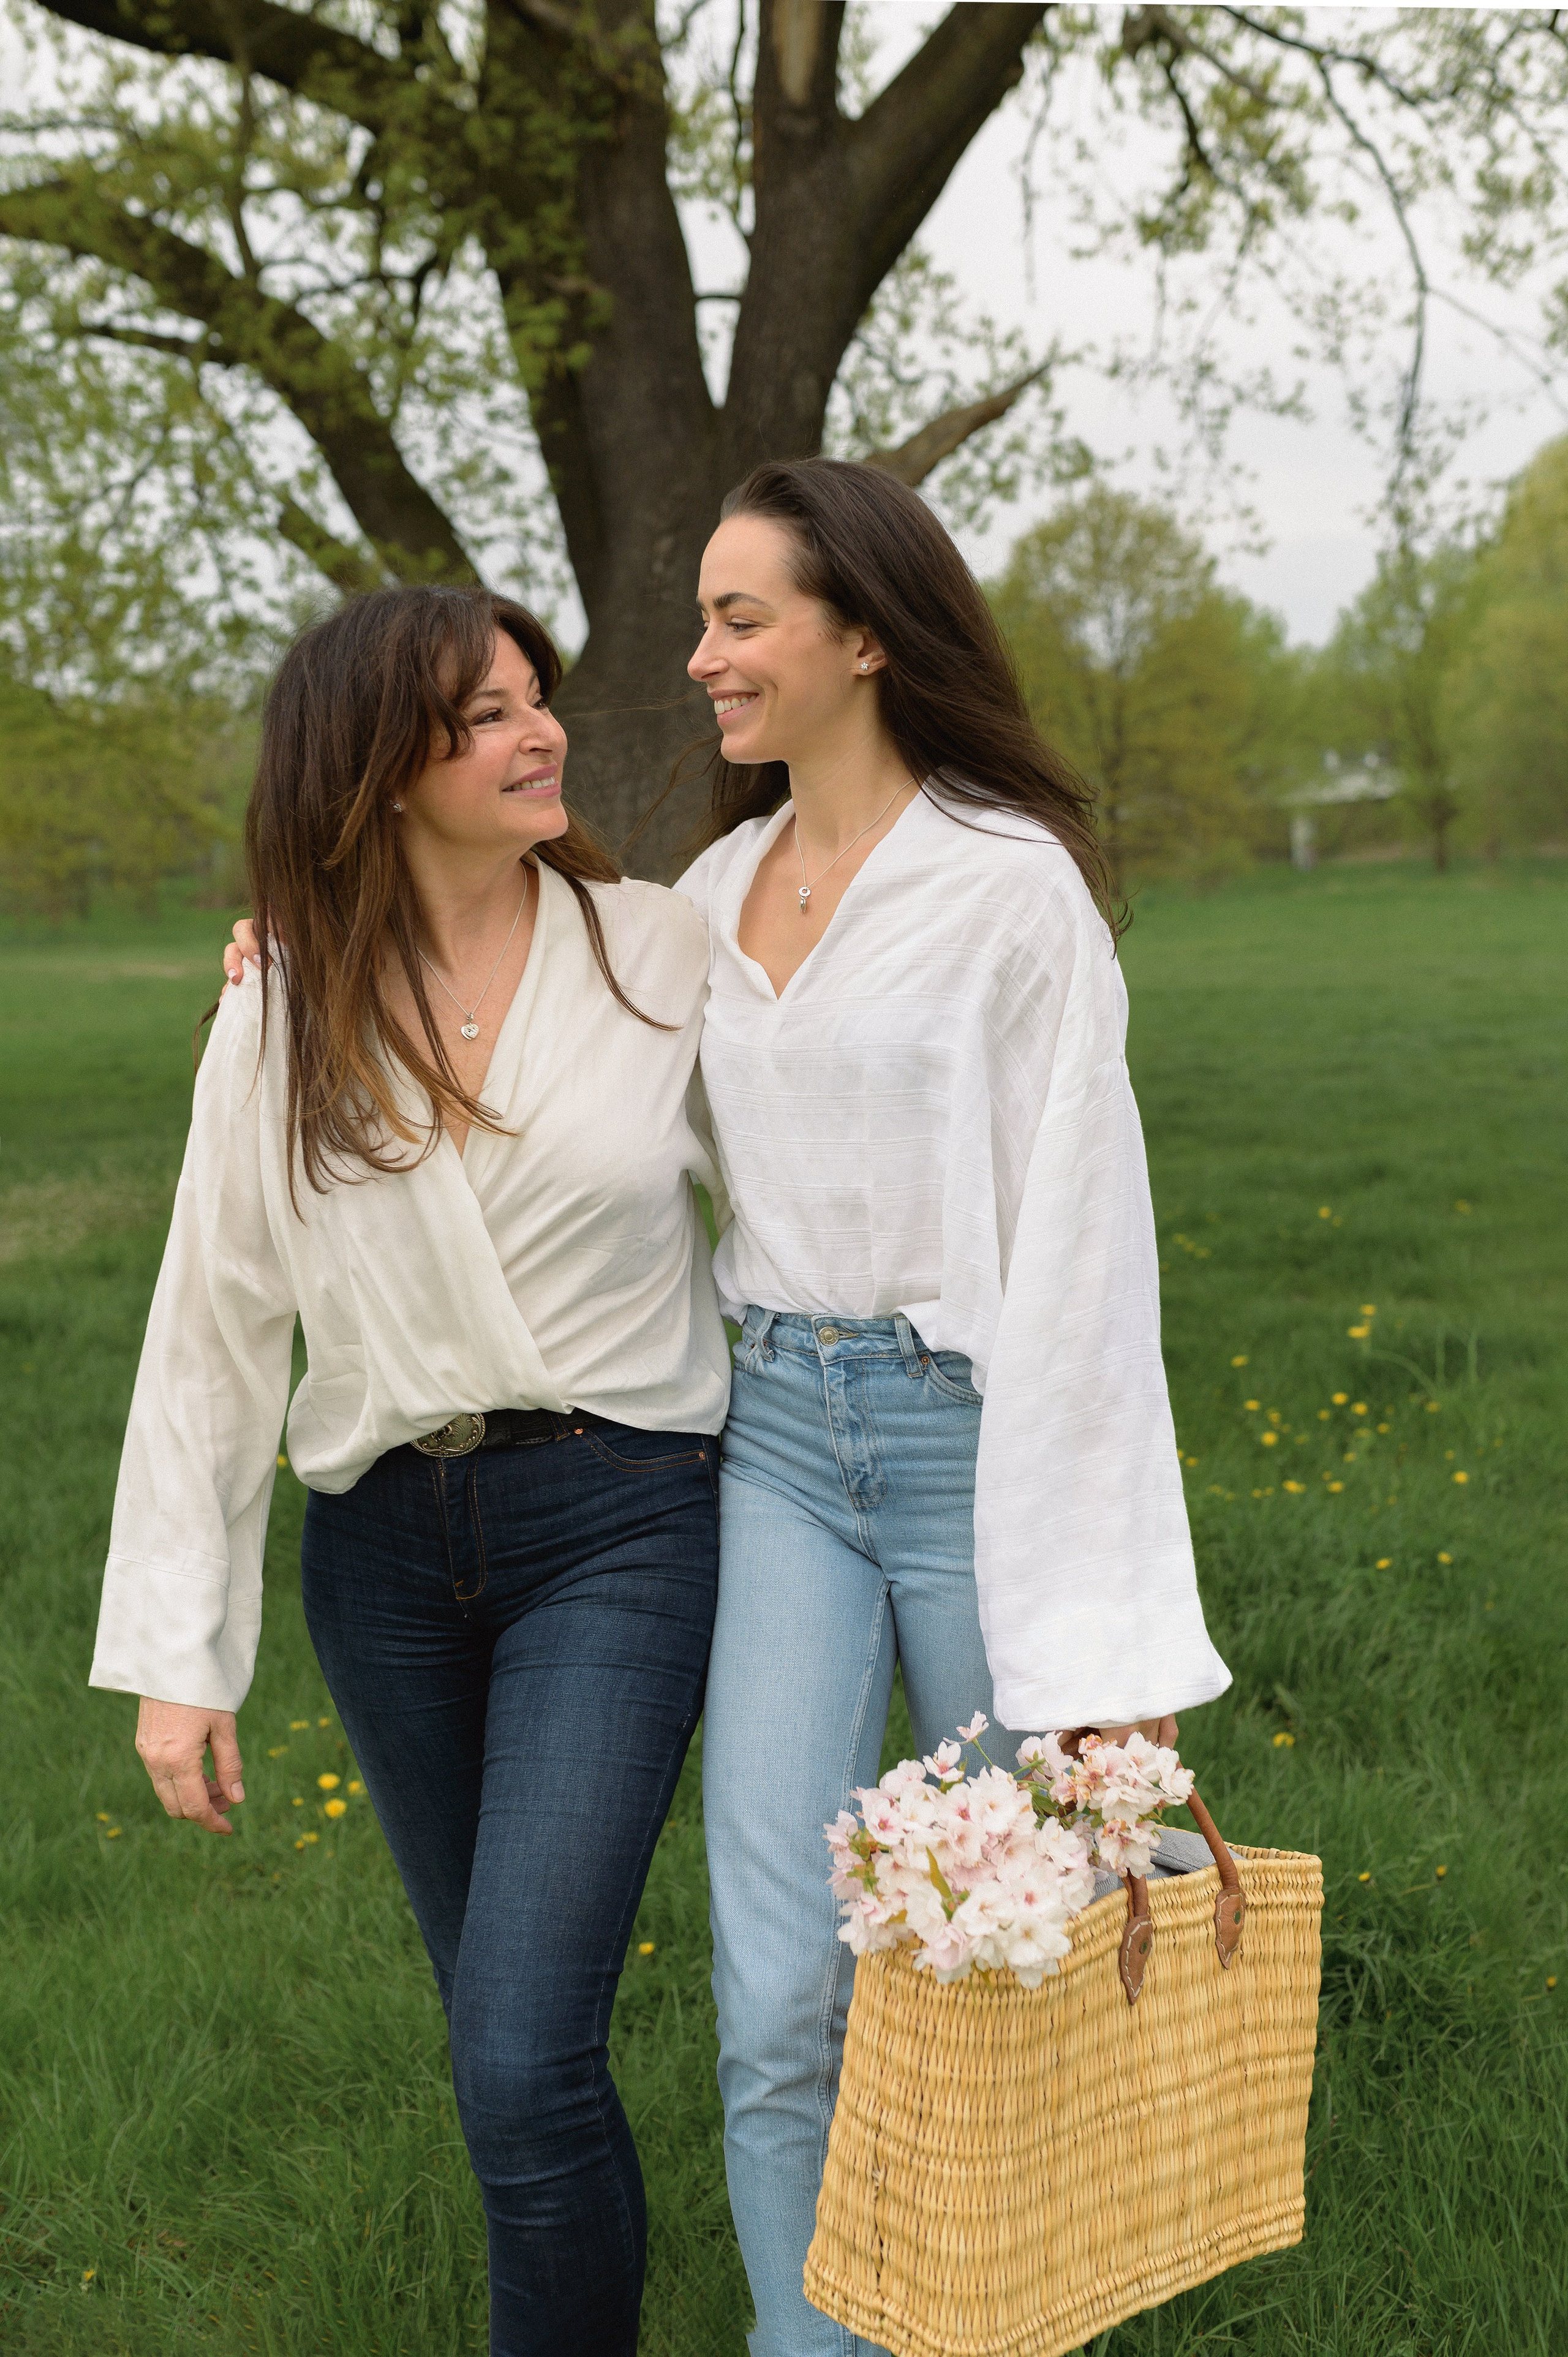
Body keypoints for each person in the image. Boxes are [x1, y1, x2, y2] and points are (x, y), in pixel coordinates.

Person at [95, 584, 730, 2357]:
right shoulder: (282, 998)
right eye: (481, 717)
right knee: (499, 2047)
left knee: (522, 2047)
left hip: (621, 1523)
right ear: (377, 771)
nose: (538, 734)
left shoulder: (661, 949)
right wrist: (178, 1656)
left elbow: (823, 1172)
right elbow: (212, 1325)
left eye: (536, 700)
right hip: (378, 1557)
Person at [673, 459, 1232, 2357]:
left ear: (864, 636)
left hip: (965, 1450)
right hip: (777, 1451)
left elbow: (1087, 1266)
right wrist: (293, 971)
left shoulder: (1009, 896)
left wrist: (1104, 1647)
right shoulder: (699, 897)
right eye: (707, 616)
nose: (704, 656)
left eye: (741, 618)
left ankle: (986, 2322)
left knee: (998, 1971)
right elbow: (532, 1066)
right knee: (774, 1992)